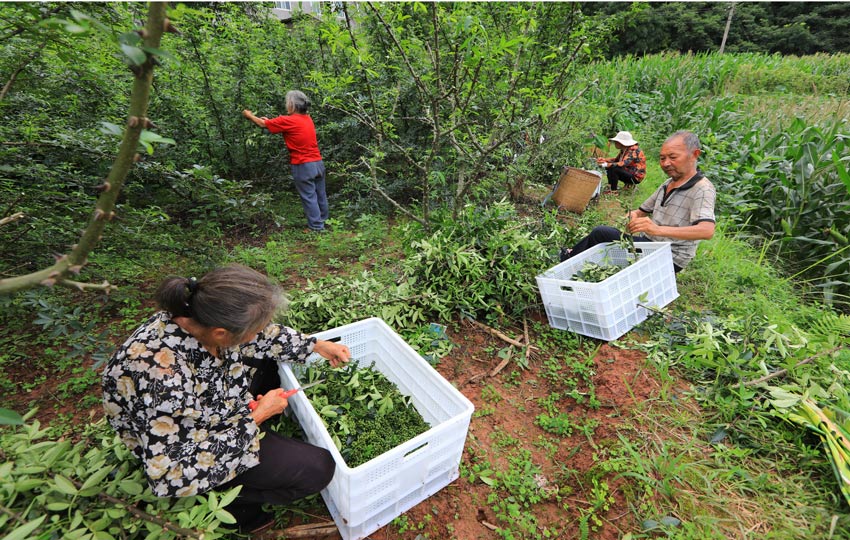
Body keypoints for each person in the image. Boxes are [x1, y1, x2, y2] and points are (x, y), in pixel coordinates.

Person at [102, 264, 351, 534]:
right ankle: (237, 507)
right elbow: (171, 473)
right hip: (189, 453)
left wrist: (315, 345)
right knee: (319, 468)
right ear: (221, 333)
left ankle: (251, 443)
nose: (259, 333)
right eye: (253, 330)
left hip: (208, 407)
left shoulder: (199, 315)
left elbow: (263, 337)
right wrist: (257, 417)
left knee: (268, 361)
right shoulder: (162, 380)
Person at [561, 130, 716, 272]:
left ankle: (568, 261)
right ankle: (570, 259)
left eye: (673, 157)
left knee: (601, 235)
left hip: (669, 256)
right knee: (601, 235)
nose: (666, 163)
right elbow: (640, 212)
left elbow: (706, 230)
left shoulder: (702, 188)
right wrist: (632, 217)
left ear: (694, 154)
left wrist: (657, 230)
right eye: (662, 158)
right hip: (648, 243)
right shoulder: (668, 183)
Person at [243, 90, 329, 232]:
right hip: (318, 163)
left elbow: (263, 124)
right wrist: (269, 121)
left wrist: (249, 115)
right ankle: (325, 222)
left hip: (303, 164)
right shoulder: (308, 118)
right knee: (320, 194)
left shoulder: (287, 120)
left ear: (291, 104)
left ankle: (316, 228)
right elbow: (275, 124)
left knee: (309, 196)